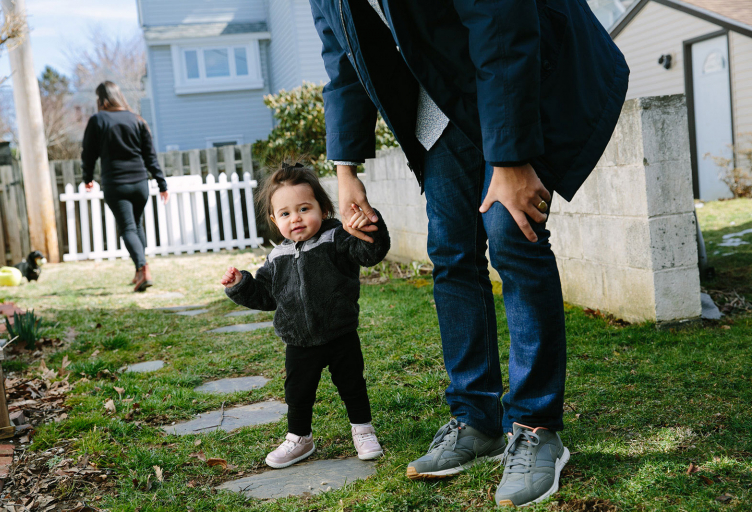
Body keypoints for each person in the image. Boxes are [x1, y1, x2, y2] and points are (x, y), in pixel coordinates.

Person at [307, 0, 629, 506]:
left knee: (512, 236)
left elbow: (501, 22)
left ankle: (537, 426)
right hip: (441, 97)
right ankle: (477, 422)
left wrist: (510, 156)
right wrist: (345, 169)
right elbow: (344, 55)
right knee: (452, 253)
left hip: (520, 70)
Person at [220, 161, 390, 469]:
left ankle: (363, 430)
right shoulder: (277, 257)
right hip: (297, 339)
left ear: (323, 209)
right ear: (274, 219)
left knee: (352, 383)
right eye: (285, 214)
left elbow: (369, 253)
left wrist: (368, 227)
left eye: (303, 208)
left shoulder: (337, 238)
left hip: (340, 332)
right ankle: (300, 438)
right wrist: (241, 284)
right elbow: (266, 296)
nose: (295, 219)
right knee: (297, 392)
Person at [81, 81, 169, 292]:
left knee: (128, 228)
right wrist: (161, 182)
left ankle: (143, 269)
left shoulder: (98, 120)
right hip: (140, 184)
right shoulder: (136, 119)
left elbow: (88, 152)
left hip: (116, 184)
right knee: (136, 225)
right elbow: (150, 156)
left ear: (101, 99)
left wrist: (87, 177)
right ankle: (139, 271)